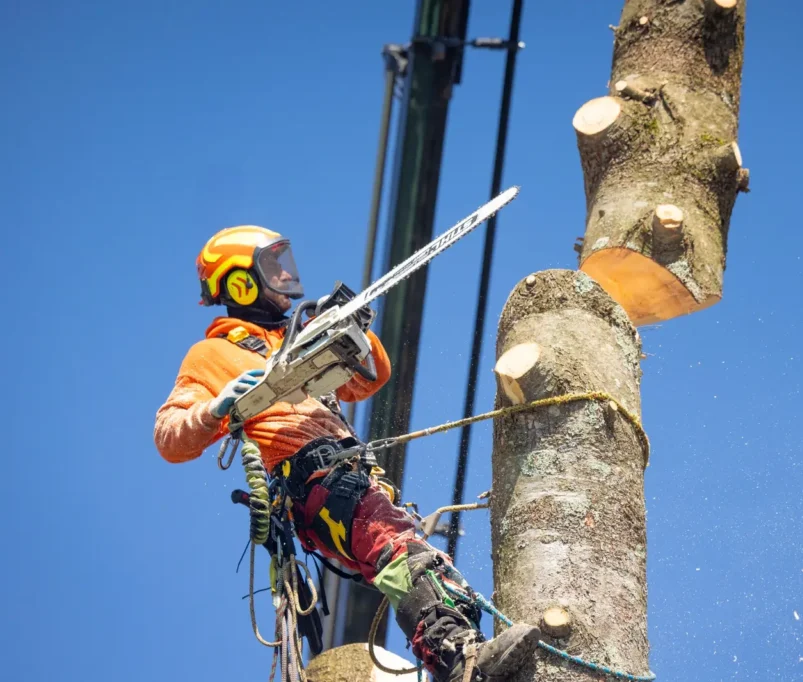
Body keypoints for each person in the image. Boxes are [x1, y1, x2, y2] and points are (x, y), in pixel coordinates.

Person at [154, 225, 539, 681]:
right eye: (273, 267)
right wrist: (216, 408)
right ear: (241, 284)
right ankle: (460, 660)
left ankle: (467, 652)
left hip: (348, 471)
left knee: (413, 554)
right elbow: (169, 436)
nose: (286, 276)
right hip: (310, 478)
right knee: (398, 546)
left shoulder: (295, 337)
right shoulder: (212, 354)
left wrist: (350, 328)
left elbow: (369, 378)